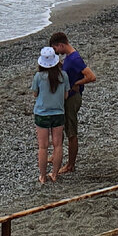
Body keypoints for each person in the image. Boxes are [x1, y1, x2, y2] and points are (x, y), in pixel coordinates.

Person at [51, 31, 96, 174]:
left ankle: (70, 165)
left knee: (71, 131)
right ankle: (61, 159)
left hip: (72, 98)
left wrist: (78, 82)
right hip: (68, 97)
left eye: (55, 49)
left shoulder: (75, 59)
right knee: (65, 128)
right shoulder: (70, 57)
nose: (56, 52)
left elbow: (91, 76)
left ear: (61, 45)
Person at [31, 47, 68, 185]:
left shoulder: (38, 77)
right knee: (58, 144)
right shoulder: (63, 76)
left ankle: (42, 176)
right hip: (58, 112)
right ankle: (55, 173)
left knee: (43, 146)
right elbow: (65, 95)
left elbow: (35, 94)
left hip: (42, 113)